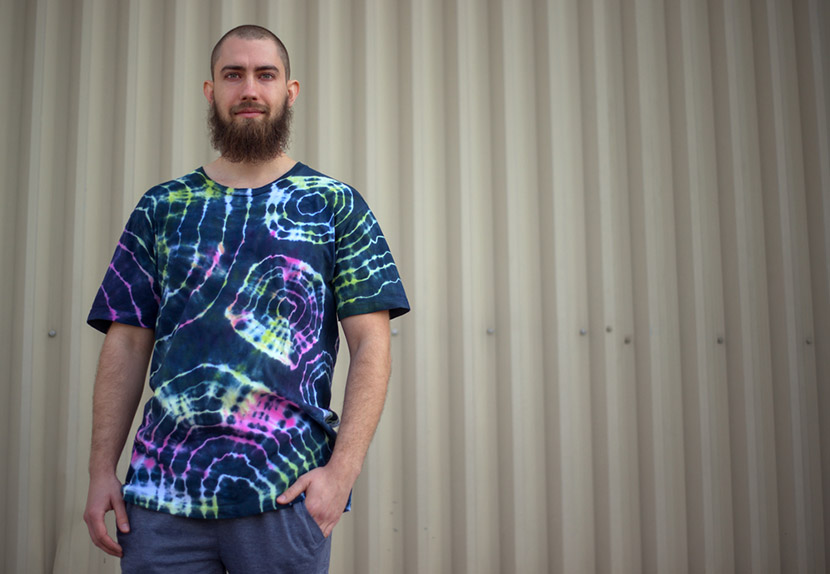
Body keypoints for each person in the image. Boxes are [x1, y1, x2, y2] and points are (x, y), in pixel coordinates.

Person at [82, 24, 409, 573]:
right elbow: (127, 344)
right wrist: (100, 472)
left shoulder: (334, 205)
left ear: (290, 90)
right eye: (233, 75)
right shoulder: (163, 207)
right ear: (211, 91)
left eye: (265, 75)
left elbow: (371, 344)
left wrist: (342, 473)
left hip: (285, 498)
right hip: (161, 501)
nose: (250, 89)